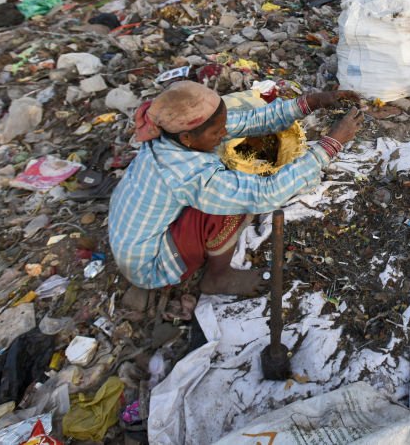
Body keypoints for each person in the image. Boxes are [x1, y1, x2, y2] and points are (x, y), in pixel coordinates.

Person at [109, 81, 363, 300]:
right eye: (217, 132)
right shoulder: (184, 172)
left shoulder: (174, 134)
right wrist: (331, 144)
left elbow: (252, 120)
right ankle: (218, 277)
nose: (223, 134)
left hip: (135, 237)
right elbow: (264, 194)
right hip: (150, 264)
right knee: (237, 203)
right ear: (187, 138)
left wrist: (312, 102)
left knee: (230, 180)